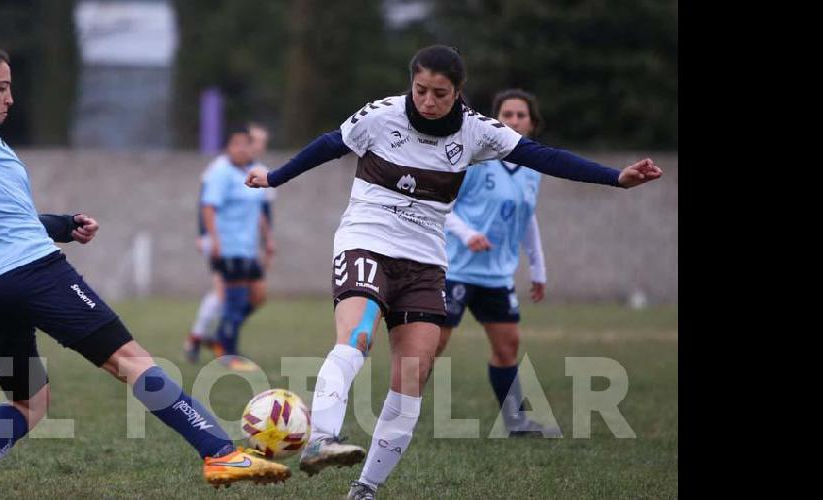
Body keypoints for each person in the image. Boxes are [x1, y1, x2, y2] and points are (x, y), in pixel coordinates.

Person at [244, 45, 661, 499]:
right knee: (357, 337)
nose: (427, 100)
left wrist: (615, 178)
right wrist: (276, 177)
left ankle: (366, 488)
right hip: (367, 240)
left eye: (439, 93)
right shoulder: (380, 116)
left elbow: (546, 157)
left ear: (458, 92)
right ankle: (321, 437)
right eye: (420, 90)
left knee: (414, 370)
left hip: (424, 261)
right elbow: (329, 143)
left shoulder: (477, 132)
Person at [0, 46, 289, 499]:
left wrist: (64, 225)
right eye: (2, 87)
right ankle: (219, 451)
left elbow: (6, 217)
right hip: (31, 272)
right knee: (132, 361)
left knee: (29, 401)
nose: (10, 98)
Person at [436, 88, 557, 436]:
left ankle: (516, 421)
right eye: (507, 115)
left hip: (497, 275)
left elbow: (527, 218)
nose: (514, 121)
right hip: (455, 270)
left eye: (521, 115)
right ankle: (399, 417)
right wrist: (466, 234)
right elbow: (442, 205)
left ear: (532, 124)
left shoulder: (534, 169)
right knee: (432, 346)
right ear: (495, 121)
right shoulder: (476, 159)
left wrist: (538, 269)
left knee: (508, 346)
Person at [185, 123, 276, 364]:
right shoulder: (220, 172)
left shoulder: (254, 173)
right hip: (228, 246)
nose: (240, 149)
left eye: (245, 144)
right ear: (228, 147)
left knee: (257, 296)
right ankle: (227, 351)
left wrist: (268, 238)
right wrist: (213, 239)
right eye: (235, 144)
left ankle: (220, 335)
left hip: (248, 248)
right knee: (232, 300)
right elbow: (207, 207)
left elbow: (259, 210)